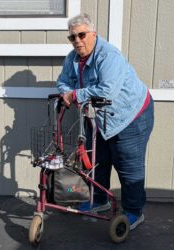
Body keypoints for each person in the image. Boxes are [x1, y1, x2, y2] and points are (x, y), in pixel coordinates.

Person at [57, 13, 154, 231]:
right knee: (97, 159)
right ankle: (99, 200)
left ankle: (134, 212)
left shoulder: (109, 56)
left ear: (93, 34)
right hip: (98, 117)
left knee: (128, 165)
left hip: (130, 116)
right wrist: (68, 92)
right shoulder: (72, 58)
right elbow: (62, 82)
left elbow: (107, 90)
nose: (77, 41)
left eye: (81, 35)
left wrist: (74, 95)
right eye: (72, 37)